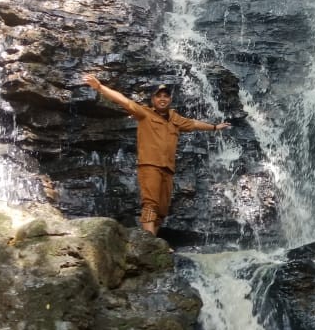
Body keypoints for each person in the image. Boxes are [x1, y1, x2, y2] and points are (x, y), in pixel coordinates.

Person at [83, 74, 231, 236]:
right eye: (158, 96)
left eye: (166, 96)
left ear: (170, 100)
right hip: (150, 165)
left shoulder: (176, 119)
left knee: (162, 209)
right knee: (150, 203)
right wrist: (99, 87)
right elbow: (123, 101)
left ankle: (153, 241)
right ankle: (149, 242)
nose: (162, 99)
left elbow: (194, 124)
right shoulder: (145, 114)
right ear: (152, 100)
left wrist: (215, 127)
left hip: (168, 168)